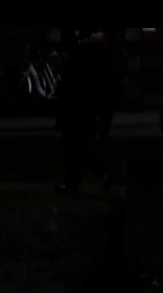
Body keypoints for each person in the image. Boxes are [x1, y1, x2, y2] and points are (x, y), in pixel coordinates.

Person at [54, 31, 114, 192]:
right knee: (77, 148)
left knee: (75, 148)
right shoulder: (88, 59)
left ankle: (82, 179)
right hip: (79, 112)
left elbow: (73, 90)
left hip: (76, 112)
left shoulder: (81, 60)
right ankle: (96, 175)